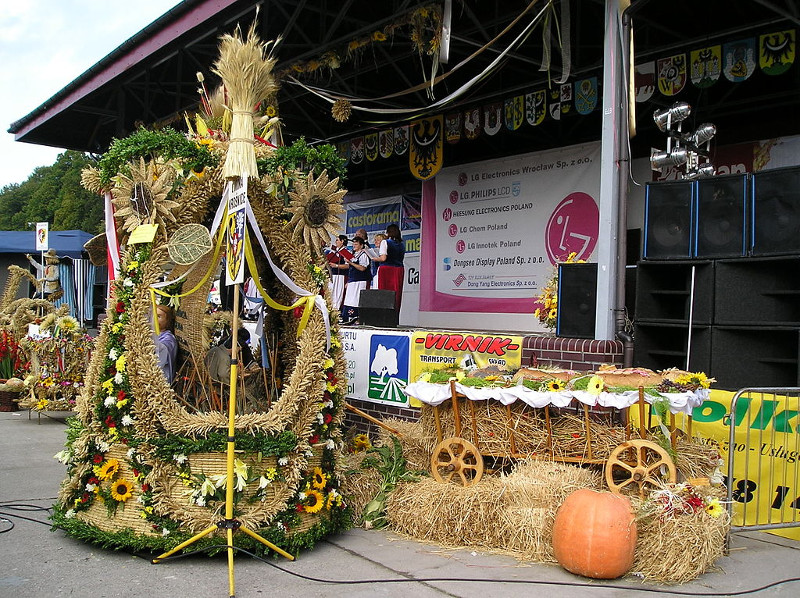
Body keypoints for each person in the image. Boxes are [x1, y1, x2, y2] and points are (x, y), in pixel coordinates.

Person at [373, 223, 405, 312]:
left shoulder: (385, 242)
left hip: (387, 269)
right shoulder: (402, 244)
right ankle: (395, 314)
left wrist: (375, 258)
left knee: (385, 292)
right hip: (399, 269)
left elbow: (383, 258)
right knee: (396, 292)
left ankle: (384, 314)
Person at [340, 236, 371, 324]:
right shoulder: (353, 254)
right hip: (352, 280)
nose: (354, 246)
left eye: (356, 244)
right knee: (349, 299)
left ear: (361, 245)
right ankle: (347, 317)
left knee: (357, 300)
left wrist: (351, 263)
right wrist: (349, 281)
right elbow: (350, 267)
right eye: (353, 244)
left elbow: (362, 268)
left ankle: (357, 318)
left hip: (360, 280)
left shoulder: (363, 255)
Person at [154, 304, 178, 384]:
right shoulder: (153, 334)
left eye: (159, 316)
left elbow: (163, 351)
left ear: (167, 321)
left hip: (161, 381)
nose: (155, 319)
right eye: (153, 315)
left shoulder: (169, 338)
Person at [326, 234, 348, 310]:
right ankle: (329, 308)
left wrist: (336, 265)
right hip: (332, 275)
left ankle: (336, 310)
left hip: (340, 275)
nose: (335, 242)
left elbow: (348, 265)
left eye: (337, 240)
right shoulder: (333, 251)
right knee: (330, 292)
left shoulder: (346, 251)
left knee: (338, 293)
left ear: (342, 241)